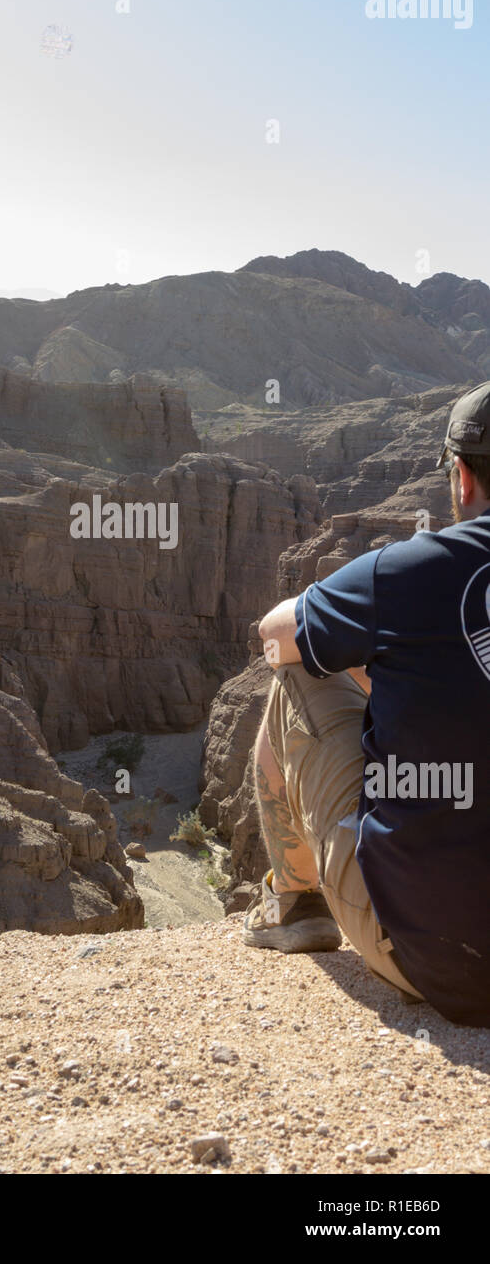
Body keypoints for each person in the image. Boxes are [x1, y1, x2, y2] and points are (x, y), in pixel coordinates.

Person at [244, 381, 490, 1026]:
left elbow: (275, 634)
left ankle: (296, 906)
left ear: (462, 478)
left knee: (299, 672)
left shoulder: (405, 571)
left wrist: (383, 665)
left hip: (445, 964)